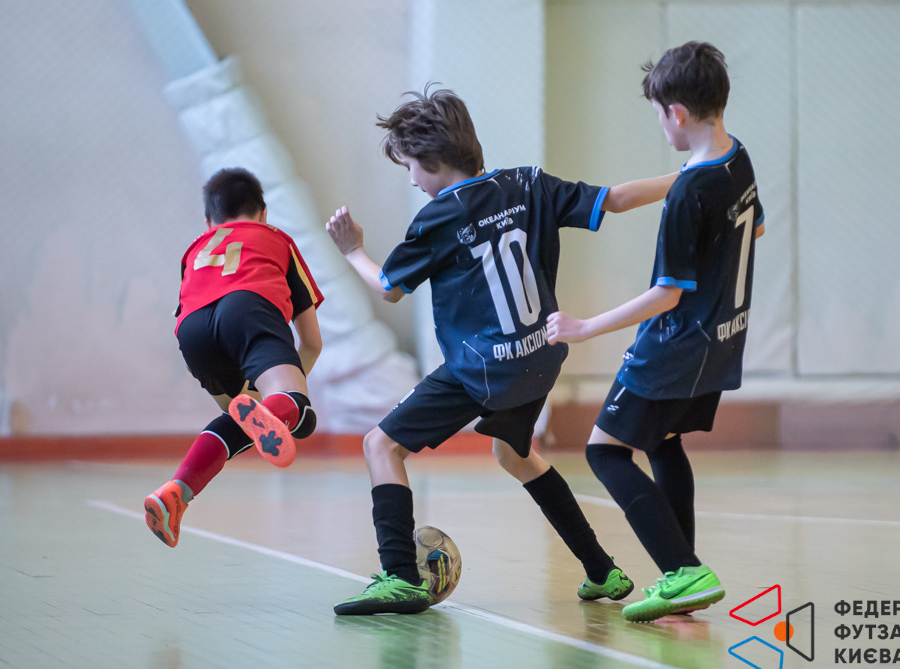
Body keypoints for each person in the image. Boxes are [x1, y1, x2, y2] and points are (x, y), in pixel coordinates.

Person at [324, 84, 677, 615]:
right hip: (539, 357)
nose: (413, 180)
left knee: (381, 445)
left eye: (411, 168)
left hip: (484, 368)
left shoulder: (439, 217)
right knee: (515, 455)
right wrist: (688, 177)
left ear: (433, 161)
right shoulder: (529, 183)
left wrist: (353, 251)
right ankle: (601, 569)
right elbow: (617, 199)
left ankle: (400, 576)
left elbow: (390, 288)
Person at [546, 42, 765, 622]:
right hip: (722, 340)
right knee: (663, 442)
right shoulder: (737, 158)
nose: (660, 125)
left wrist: (585, 327)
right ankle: (683, 576)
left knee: (604, 451)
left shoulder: (689, 193)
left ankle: (682, 570)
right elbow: (755, 230)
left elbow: (667, 294)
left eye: (658, 115)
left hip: (675, 345)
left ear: (677, 113)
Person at [144, 167, 324, 548]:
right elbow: (311, 342)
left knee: (239, 419)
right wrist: (292, 389)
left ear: (208, 222)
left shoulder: (194, 249)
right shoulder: (276, 238)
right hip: (247, 308)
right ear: (263, 214)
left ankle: (176, 492)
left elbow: (183, 309)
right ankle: (285, 407)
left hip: (192, 333)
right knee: (292, 402)